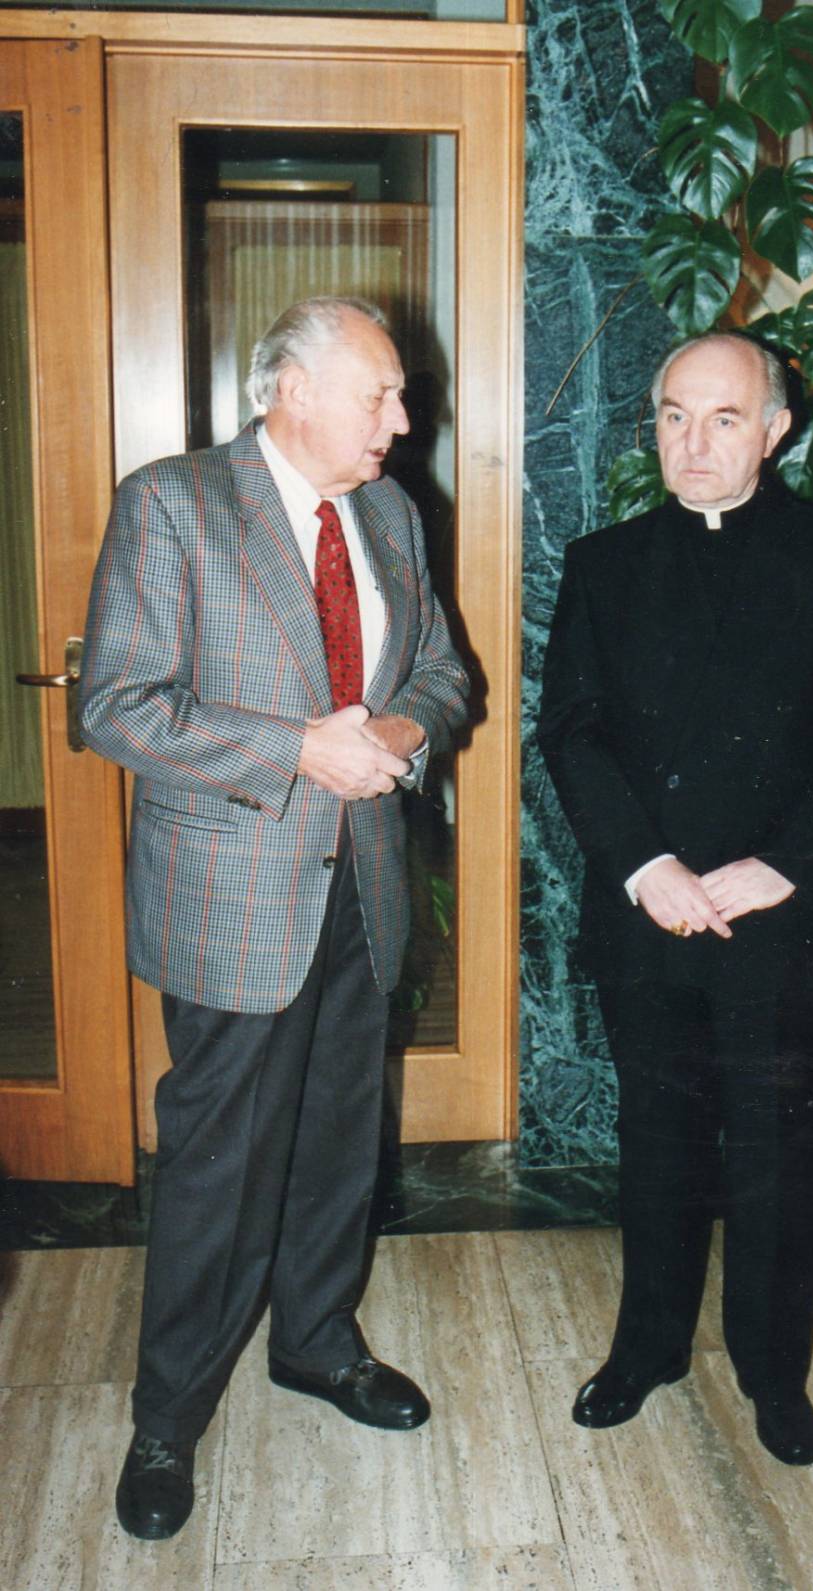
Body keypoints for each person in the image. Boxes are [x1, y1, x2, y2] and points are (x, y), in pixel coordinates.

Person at [80, 296, 470, 1539]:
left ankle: (315, 1340)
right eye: (380, 395)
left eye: (400, 396)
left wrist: (394, 731)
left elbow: (442, 672)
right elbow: (117, 704)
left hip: (364, 882)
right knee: (220, 1162)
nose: (401, 421)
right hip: (232, 897)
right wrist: (299, 748)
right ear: (290, 391)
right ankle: (166, 1415)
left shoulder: (391, 513)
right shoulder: (173, 504)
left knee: (339, 1138)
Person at [538, 332, 813, 1466]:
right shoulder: (604, 563)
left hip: (789, 918)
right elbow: (572, 731)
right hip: (650, 910)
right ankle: (647, 1348)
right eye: (673, 416)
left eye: (722, 418)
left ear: (774, 430)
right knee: (655, 1141)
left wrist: (783, 864)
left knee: (780, 1151)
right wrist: (643, 865)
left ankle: (772, 1371)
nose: (693, 443)